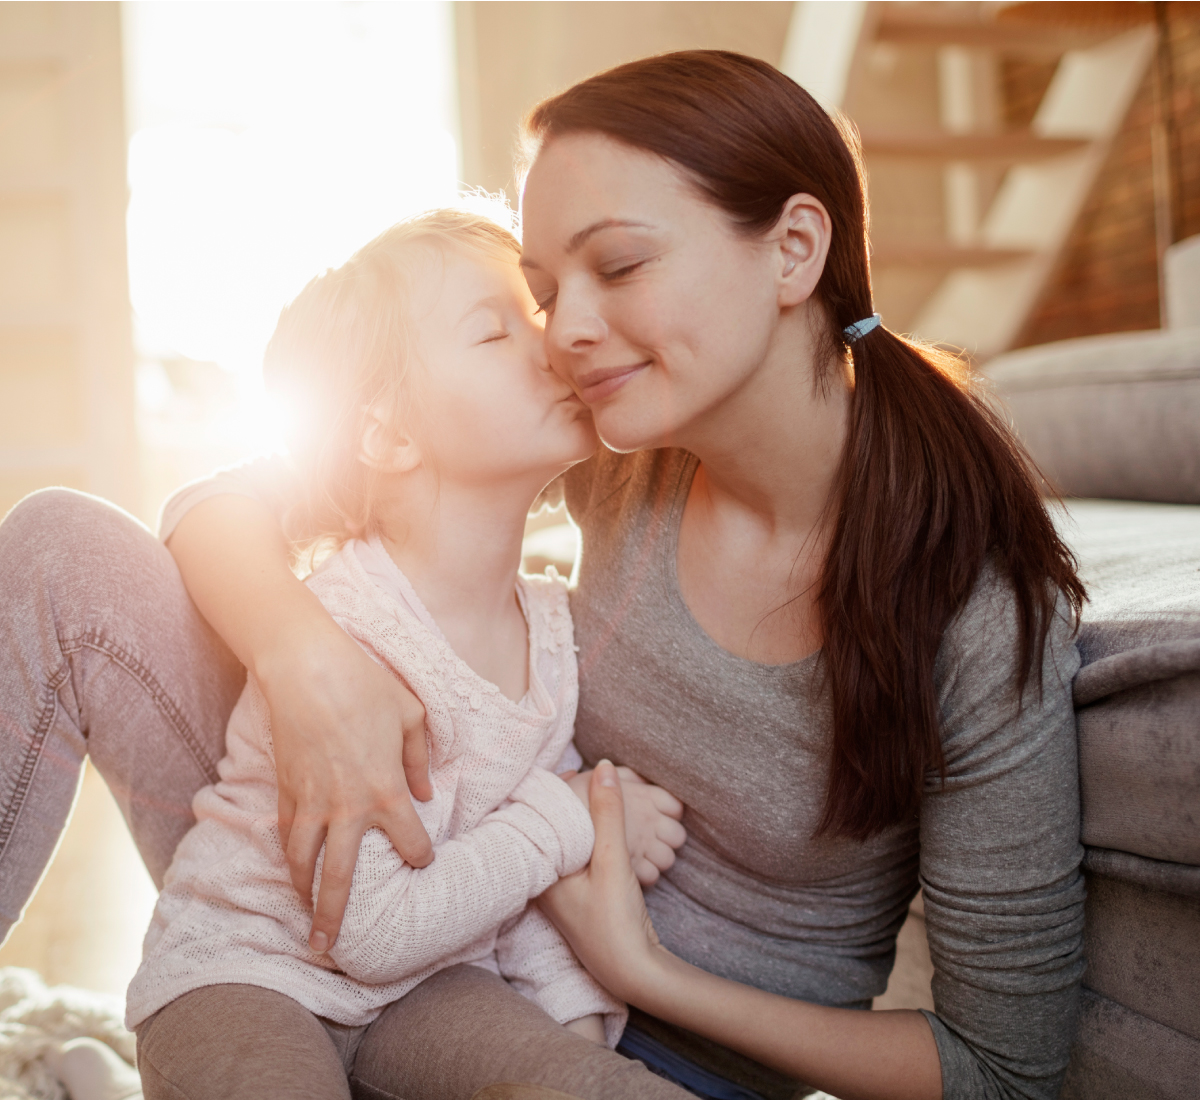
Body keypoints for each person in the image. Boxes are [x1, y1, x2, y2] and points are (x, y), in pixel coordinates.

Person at [0, 50, 1086, 1100]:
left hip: (575, 1023)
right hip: (361, 908)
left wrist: (645, 972)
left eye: (616, 267)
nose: (563, 331)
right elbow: (230, 497)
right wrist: (305, 656)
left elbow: (1001, 1068)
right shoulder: (629, 450)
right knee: (64, 550)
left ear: (794, 249)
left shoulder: (978, 612)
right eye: (539, 289)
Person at [123, 209, 692, 1098]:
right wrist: (568, 817)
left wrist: (573, 1028)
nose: (550, 345)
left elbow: (519, 885)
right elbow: (379, 927)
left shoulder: (550, 627)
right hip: (249, 976)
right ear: (387, 434)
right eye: (494, 330)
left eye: (534, 314)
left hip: (433, 991)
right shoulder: (348, 627)